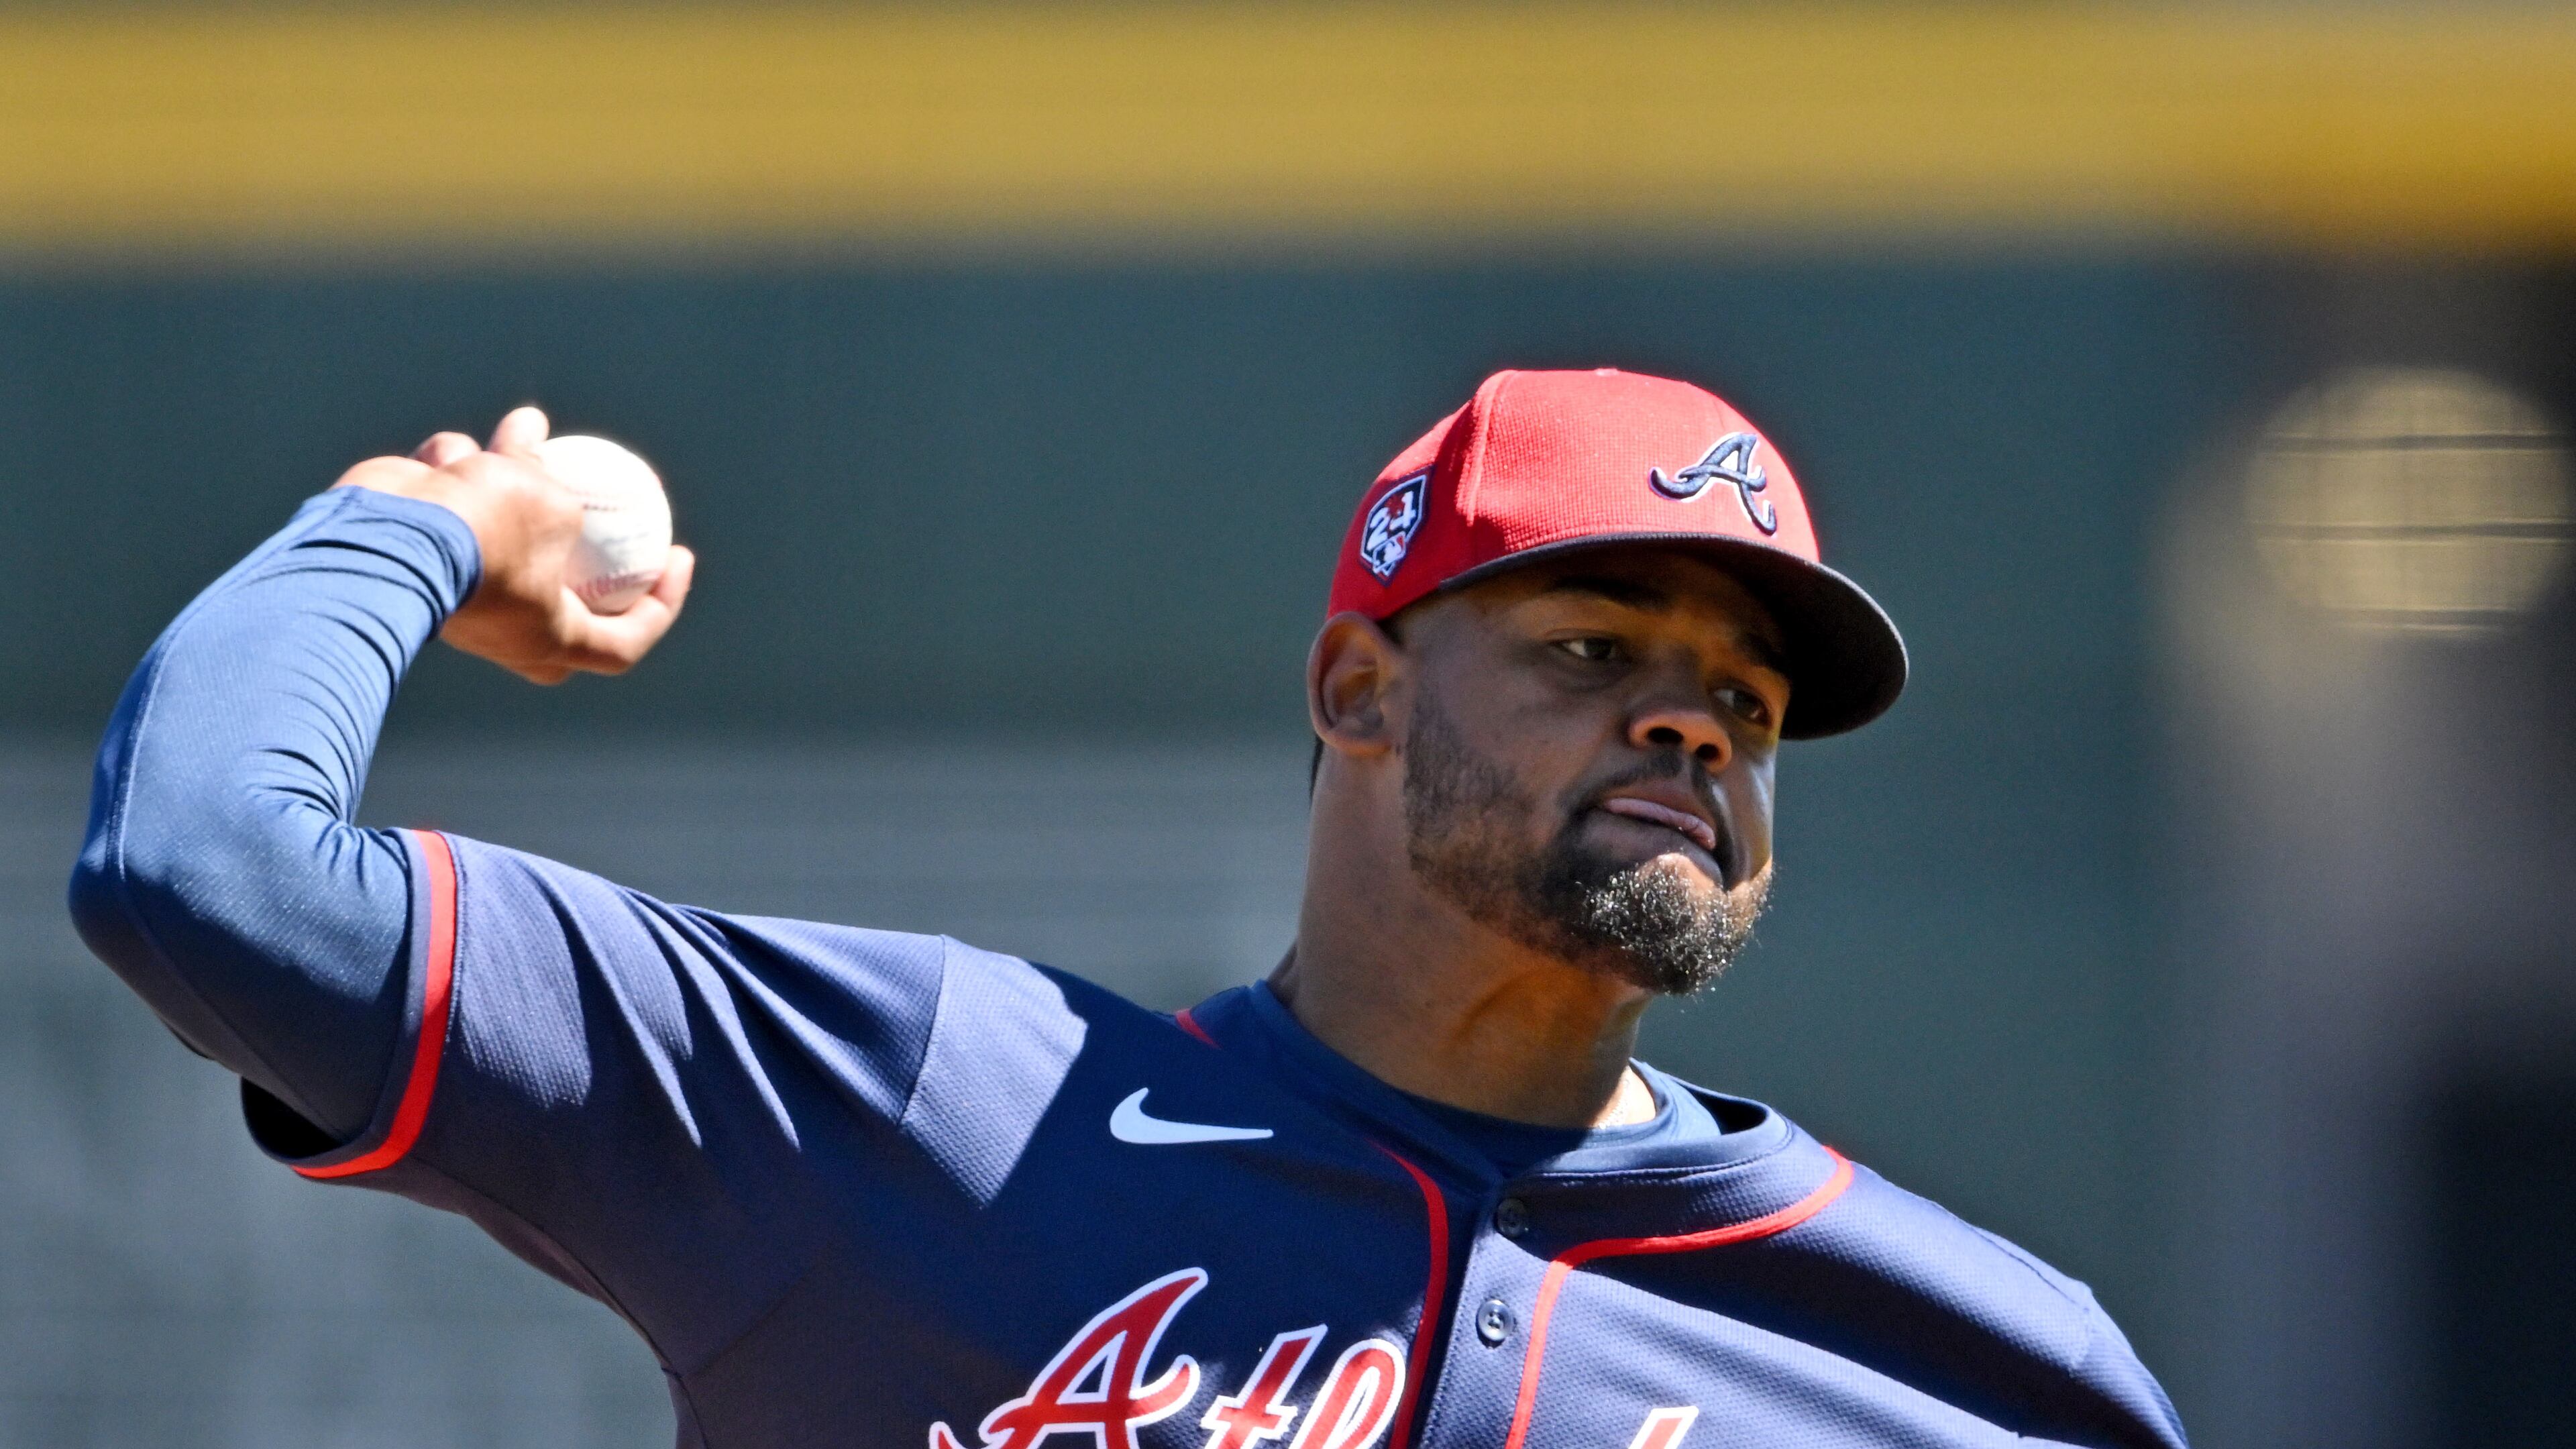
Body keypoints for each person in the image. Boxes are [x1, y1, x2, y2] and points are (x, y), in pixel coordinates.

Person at [70, 368, 2185, 1449]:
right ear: (1358, 687)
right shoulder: (920, 1122)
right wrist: (413, 523)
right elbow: (207, 872)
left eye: (1743, 699)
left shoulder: (1979, 1368)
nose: (1691, 729)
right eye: (1591, 649)